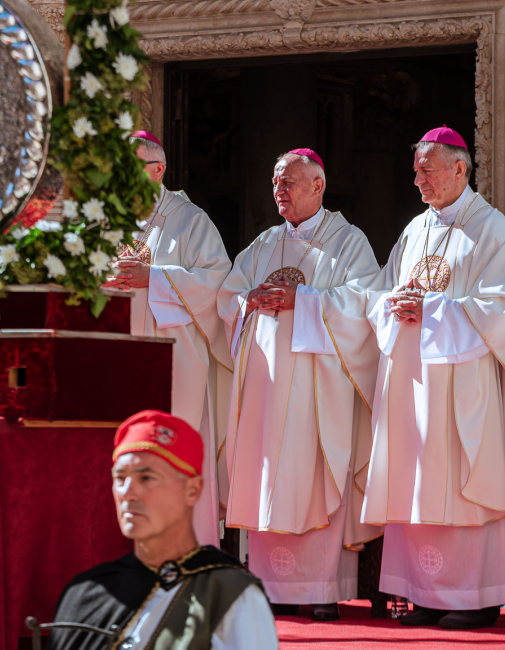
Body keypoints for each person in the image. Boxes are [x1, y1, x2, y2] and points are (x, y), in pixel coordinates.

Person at [361, 126, 505, 629]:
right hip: (415, 382)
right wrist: (391, 306)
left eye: (427, 169)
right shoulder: (414, 230)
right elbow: (379, 292)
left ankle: (475, 600)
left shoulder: (493, 230)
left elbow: (504, 309)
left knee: (464, 485)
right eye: (416, 170)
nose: (418, 179)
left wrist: (432, 309)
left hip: (465, 384)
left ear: (460, 169)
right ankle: (425, 595)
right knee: (416, 482)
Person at [217, 149, 381, 621]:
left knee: (312, 477)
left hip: (317, 388)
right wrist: (247, 301)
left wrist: (304, 300)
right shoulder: (264, 243)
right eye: (275, 183)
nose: (280, 191)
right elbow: (227, 296)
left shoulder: (348, 241)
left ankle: (322, 587)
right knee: (267, 476)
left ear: (318, 186)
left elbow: (363, 302)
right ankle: (268, 584)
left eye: (289, 182)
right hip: (266, 387)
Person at [49, 410, 278, 650]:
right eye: (120, 478)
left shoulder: (229, 594)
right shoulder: (86, 593)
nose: (128, 492)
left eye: (146, 478)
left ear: (193, 490)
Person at [103, 131, 233, 548]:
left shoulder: (190, 220)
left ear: (157, 170)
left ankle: (181, 547)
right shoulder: (105, 217)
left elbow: (217, 282)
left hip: (174, 360)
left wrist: (153, 278)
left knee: (169, 449)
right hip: (116, 354)